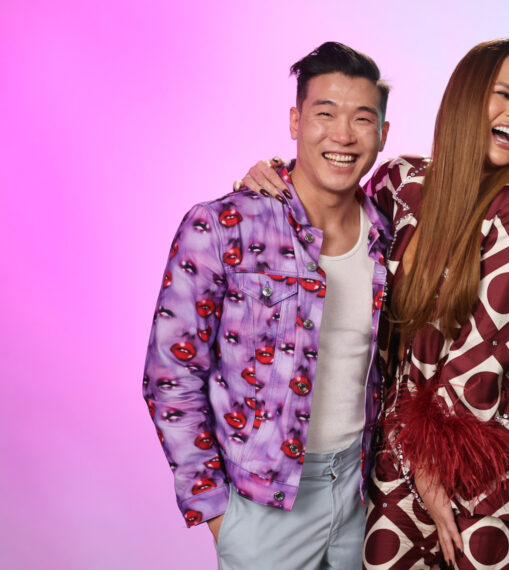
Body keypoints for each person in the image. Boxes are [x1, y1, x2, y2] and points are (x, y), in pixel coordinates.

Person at [243, 38, 509, 570]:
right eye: (503, 94)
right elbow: (330, 204)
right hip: (396, 443)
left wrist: (436, 467)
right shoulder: (401, 182)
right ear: (465, 96)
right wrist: (271, 178)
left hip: (479, 452)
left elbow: (481, 362)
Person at [142, 41, 391, 569]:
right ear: (296, 121)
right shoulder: (223, 225)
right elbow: (170, 374)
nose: (343, 135)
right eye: (326, 113)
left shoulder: (390, 232)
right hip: (263, 506)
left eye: (362, 118)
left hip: (360, 493)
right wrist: (215, 512)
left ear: (383, 134)